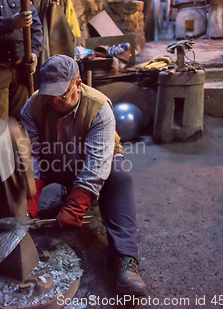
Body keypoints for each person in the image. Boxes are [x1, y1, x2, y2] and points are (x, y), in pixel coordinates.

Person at [20, 54, 147, 296]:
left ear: (78, 85)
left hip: (88, 161)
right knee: (15, 168)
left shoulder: (99, 108)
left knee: (120, 175)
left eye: (62, 94)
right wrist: (31, 191)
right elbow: (33, 155)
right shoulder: (33, 105)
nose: (54, 100)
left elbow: (97, 164)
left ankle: (125, 259)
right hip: (52, 159)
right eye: (49, 94)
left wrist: (78, 202)